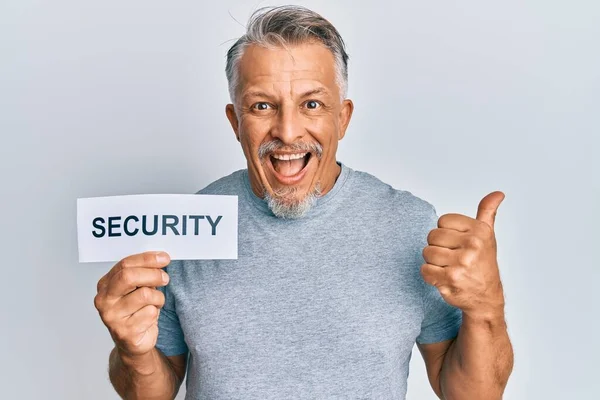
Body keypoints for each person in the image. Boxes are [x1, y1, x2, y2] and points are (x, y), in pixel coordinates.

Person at [94, 5, 514, 399]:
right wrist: (133, 351)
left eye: (311, 104)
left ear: (343, 117)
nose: (289, 132)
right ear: (235, 121)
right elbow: (153, 389)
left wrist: (486, 305)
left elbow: (472, 394)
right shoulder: (187, 228)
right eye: (262, 106)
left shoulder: (408, 224)